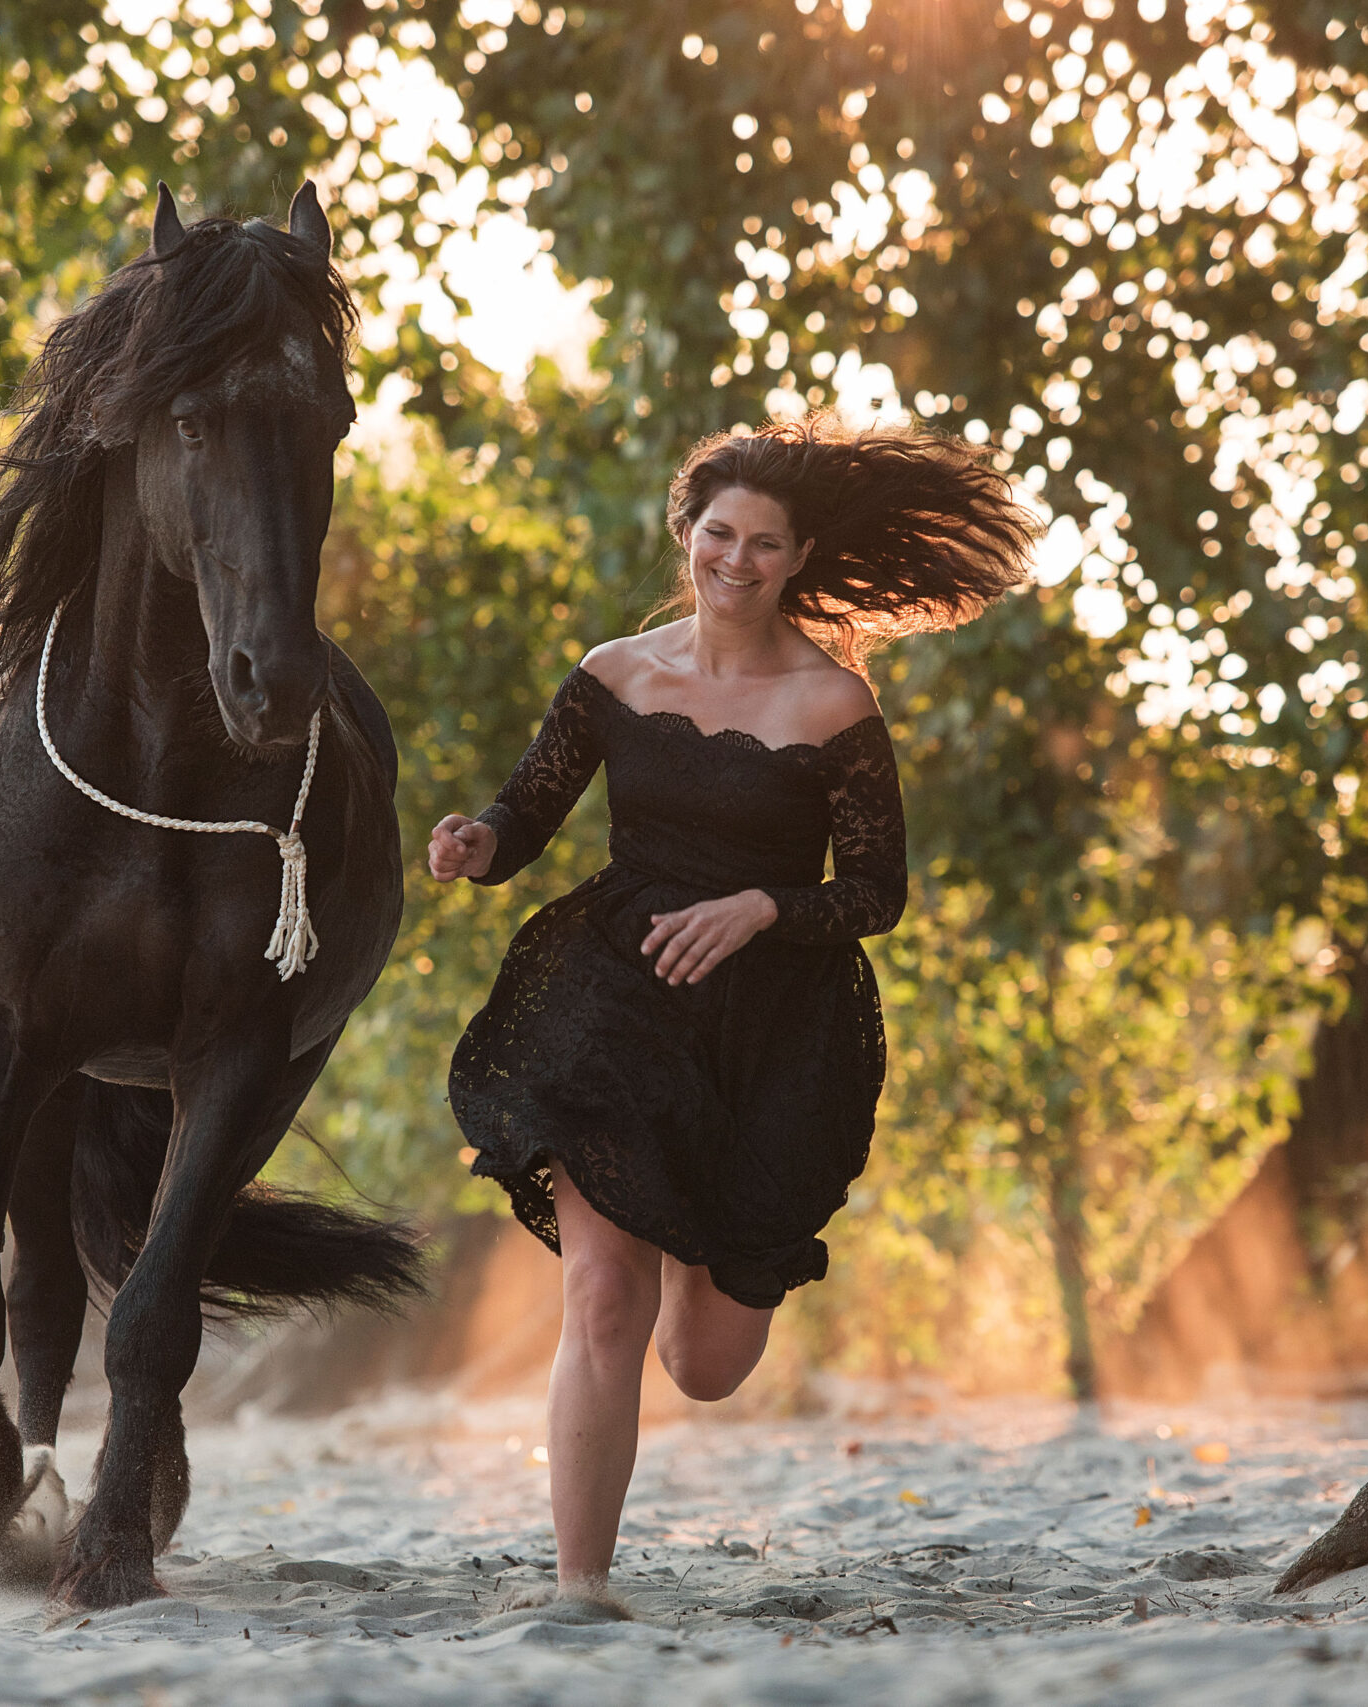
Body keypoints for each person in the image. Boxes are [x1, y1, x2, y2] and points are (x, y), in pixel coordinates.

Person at [424, 412, 1037, 1614]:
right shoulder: (613, 675)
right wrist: (473, 842)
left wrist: (763, 906)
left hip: (776, 1035)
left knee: (704, 1366)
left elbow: (875, 895)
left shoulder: (834, 705)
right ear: (686, 533)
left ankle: (699, 1256)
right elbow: (521, 822)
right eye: (719, 533)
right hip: (618, 993)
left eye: (765, 542)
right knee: (604, 1290)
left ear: (799, 556)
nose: (737, 561)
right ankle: (580, 1590)